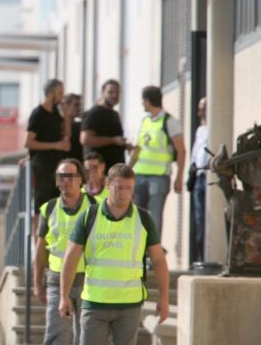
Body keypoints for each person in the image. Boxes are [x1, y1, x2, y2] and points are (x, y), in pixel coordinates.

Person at [59, 164, 170, 345]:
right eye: (119, 187)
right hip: (94, 303)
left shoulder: (143, 219)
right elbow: (70, 258)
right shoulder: (89, 217)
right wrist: (63, 296)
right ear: (108, 184)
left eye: (129, 188)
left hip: (129, 305)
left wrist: (164, 298)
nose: (124, 193)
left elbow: (158, 260)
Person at [34, 158, 97, 345]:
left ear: (80, 179)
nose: (66, 181)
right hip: (56, 280)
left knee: (86, 337)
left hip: (89, 280)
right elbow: (40, 249)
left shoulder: (96, 207)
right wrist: (37, 283)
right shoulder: (49, 208)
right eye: (61, 176)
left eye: (70, 176)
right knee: (56, 335)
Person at [129, 85, 186, 239]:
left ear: (148, 101)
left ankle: (152, 255)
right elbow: (138, 149)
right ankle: (138, 252)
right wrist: (127, 170)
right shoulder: (145, 121)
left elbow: (181, 150)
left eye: (143, 100)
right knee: (137, 216)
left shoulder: (169, 122)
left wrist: (179, 178)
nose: (142, 104)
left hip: (159, 177)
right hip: (140, 175)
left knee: (154, 217)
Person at [26, 79, 71, 237]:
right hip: (42, 166)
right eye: (59, 93)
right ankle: (37, 244)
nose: (62, 97)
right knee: (41, 206)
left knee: (55, 203)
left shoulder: (55, 112)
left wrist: (66, 116)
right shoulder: (38, 114)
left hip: (56, 165)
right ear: (51, 94)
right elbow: (29, 142)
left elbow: (66, 136)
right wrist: (55, 145)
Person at [81, 79, 131, 172]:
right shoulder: (94, 113)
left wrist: (125, 145)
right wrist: (113, 140)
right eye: (110, 92)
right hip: (98, 172)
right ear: (103, 93)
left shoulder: (115, 114)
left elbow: (114, 139)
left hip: (115, 171)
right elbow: (85, 139)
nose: (114, 95)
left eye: (117, 92)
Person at [189, 98, 208, 262]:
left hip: (210, 177)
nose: (200, 112)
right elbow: (196, 154)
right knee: (199, 219)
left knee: (208, 218)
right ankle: (201, 257)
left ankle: (209, 256)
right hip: (199, 178)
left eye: (204, 108)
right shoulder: (200, 130)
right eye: (200, 108)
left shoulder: (214, 128)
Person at [61, 93, 85, 162]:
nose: (79, 108)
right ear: (66, 106)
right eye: (76, 105)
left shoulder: (80, 125)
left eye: (80, 105)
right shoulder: (59, 125)